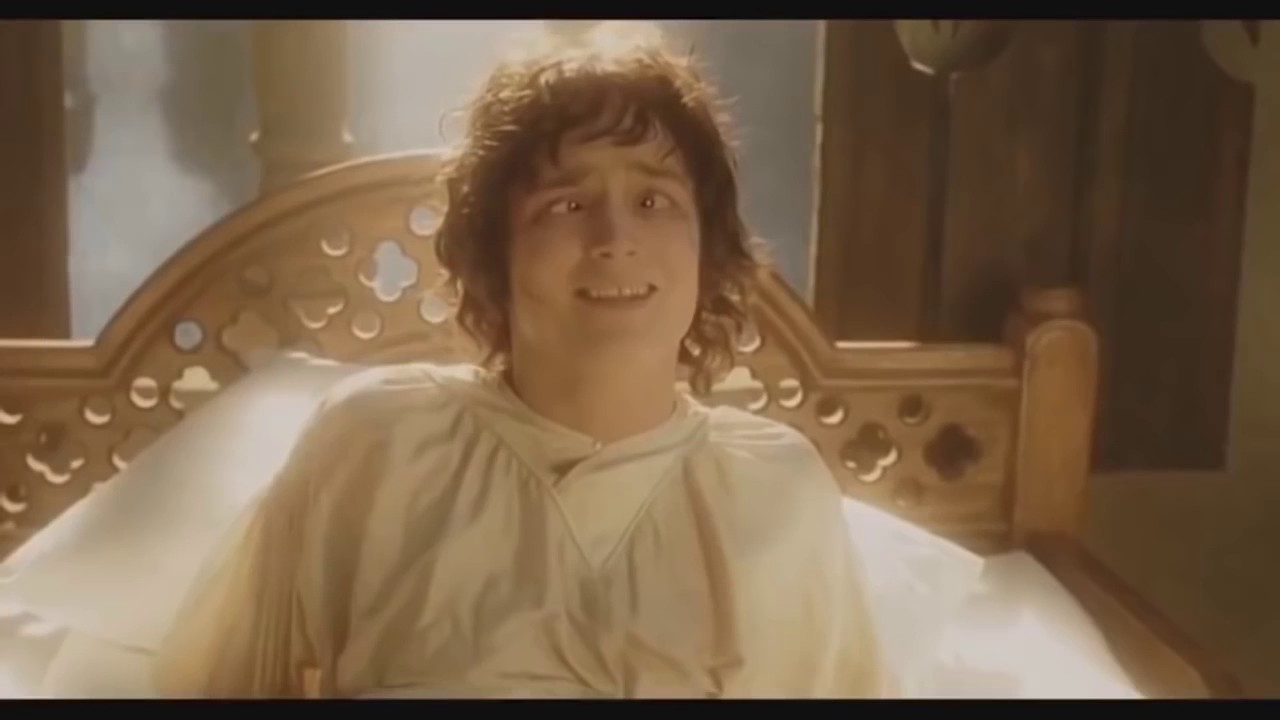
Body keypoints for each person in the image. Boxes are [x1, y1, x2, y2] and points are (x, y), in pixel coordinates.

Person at [152, 22, 887, 699]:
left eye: (653, 202)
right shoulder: (375, 445)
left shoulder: (773, 491)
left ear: (707, 247)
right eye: (566, 205)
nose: (614, 239)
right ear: (495, 254)